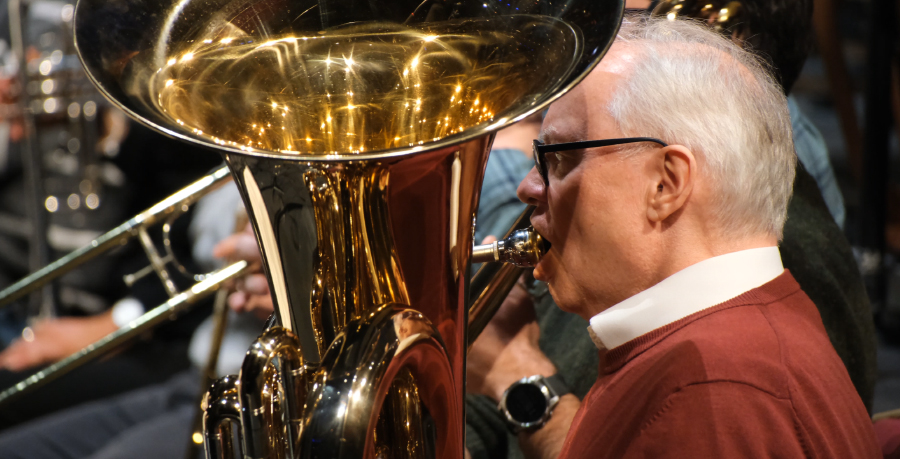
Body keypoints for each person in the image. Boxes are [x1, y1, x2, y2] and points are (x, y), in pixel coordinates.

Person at [468, 16, 879, 458]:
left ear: (666, 183)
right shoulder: (705, 355)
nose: (526, 187)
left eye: (557, 160)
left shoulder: (714, 394)